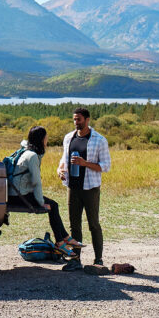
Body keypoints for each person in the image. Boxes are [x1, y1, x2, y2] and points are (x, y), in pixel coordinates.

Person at [10, 126, 84, 257]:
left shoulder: (25, 151)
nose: (47, 140)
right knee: (53, 206)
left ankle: (64, 238)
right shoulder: (32, 156)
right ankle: (61, 242)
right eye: (46, 137)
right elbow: (36, 183)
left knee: (54, 204)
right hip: (20, 195)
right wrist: (40, 202)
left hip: (16, 192)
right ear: (41, 139)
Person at [57, 107, 111, 267]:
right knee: (74, 225)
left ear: (87, 120)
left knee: (93, 224)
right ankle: (76, 259)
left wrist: (84, 163)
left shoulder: (99, 140)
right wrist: (60, 170)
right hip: (72, 188)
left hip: (90, 188)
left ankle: (98, 260)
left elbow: (106, 166)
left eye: (79, 119)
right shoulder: (68, 138)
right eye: (74, 119)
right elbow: (63, 159)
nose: (76, 122)